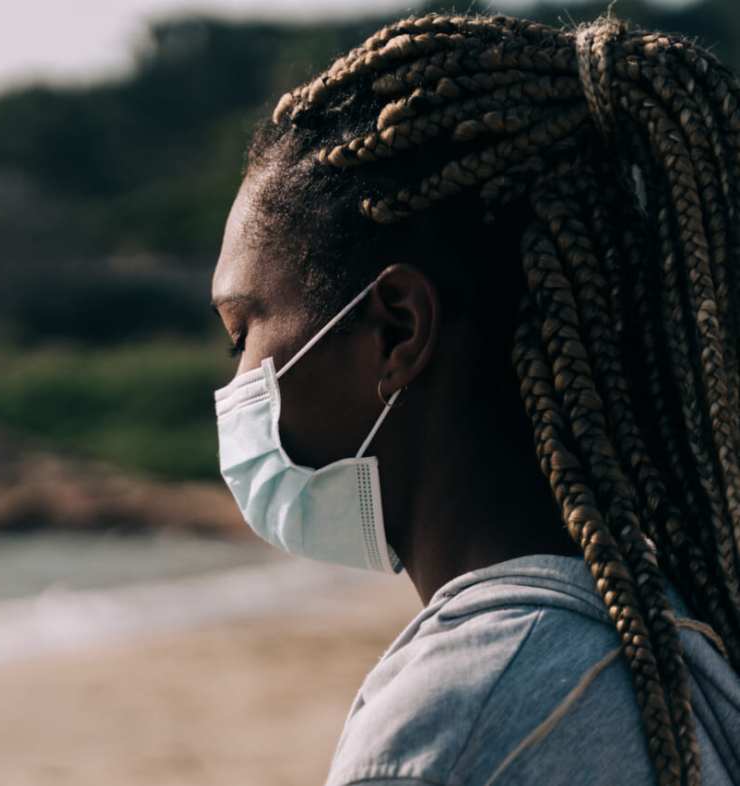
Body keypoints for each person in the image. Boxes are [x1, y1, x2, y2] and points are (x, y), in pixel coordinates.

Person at [211, 12, 740, 786]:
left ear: (396, 330)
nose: (233, 387)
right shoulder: (681, 643)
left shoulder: (460, 723)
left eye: (240, 332)